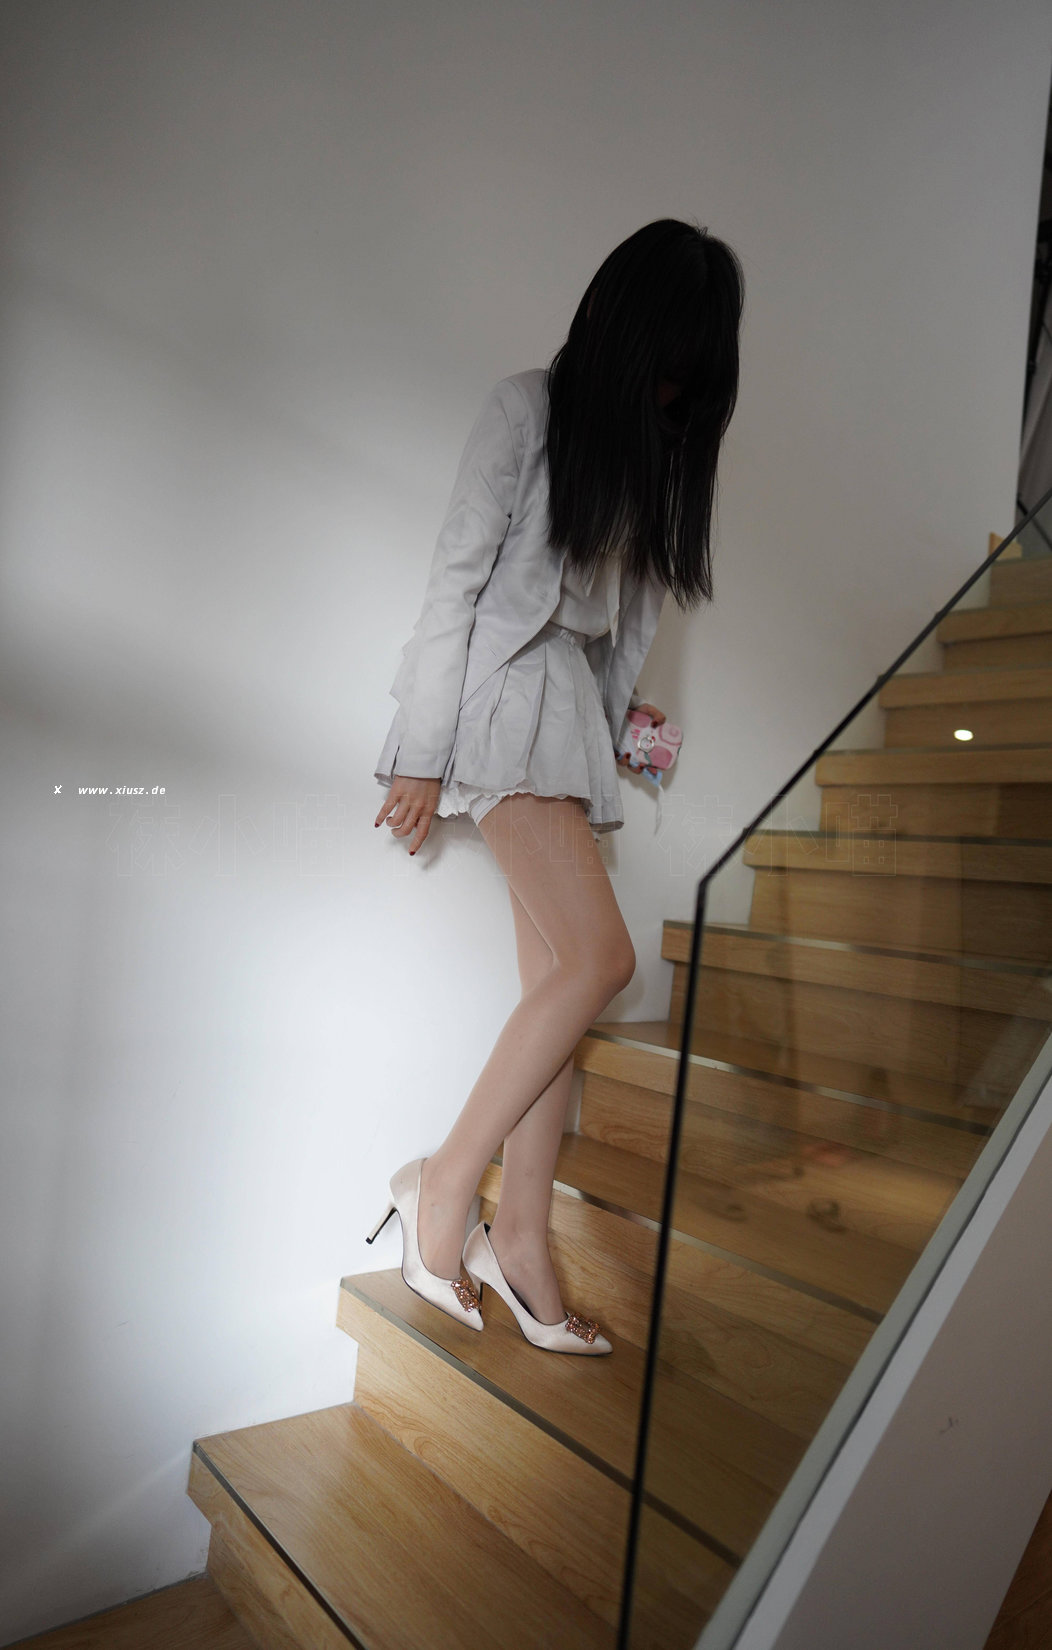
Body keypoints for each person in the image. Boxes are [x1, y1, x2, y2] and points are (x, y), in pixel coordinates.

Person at [368, 218, 744, 1356]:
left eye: (693, 380)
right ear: (626, 333)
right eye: (668, 367)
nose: (675, 396)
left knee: (557, 986)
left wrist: (614, 739)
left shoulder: (655, 457)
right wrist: (420, 751)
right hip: (499, 702)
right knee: (600, 963)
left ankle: (520, 1237)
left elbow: (624, 635)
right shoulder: (525, 411)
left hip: (566, 722)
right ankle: (441, 1189)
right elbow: (454, 585)